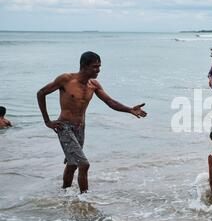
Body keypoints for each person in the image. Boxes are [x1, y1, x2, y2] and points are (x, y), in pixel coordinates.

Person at [37, 51, 147, 193]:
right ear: (83, 66)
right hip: (64, 127)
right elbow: (41, 93)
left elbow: (110, 101)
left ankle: (64, 193)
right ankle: (85, 199)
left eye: (99, 66)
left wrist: (130, 110)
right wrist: (47, 121)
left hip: (80, 127)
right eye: (95, 67)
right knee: (84, 164)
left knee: (72, 164)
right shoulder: (66, 79)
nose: (98, 70)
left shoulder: (93, 85)